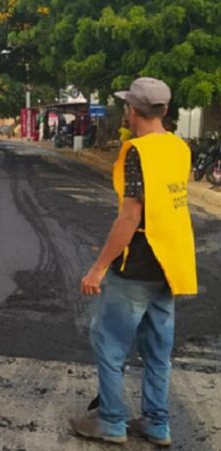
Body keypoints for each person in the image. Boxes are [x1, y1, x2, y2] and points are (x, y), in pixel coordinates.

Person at [70, 77, 197, 446]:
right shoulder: (180, 147)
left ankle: (111, 421)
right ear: (165, 110)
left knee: (109, 344)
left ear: (131, 110)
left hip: (138, 265)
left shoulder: (137, 152)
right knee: (158, 350)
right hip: (171, 265)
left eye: (126, 105)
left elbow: (130, 217)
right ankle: (157, 423)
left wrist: (98, 268)